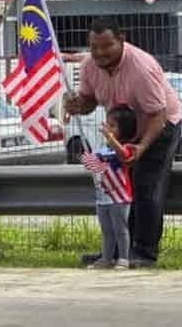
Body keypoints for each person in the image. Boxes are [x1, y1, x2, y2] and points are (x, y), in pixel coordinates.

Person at [64, 17, 182, 268]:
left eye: (106, 47)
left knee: (146, 185)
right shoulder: (89, 66)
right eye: (94, 47)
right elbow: (88, 100)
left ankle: (144, 253)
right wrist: (77, 105)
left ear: (121, 40)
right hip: (124, 129)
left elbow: (157, 116)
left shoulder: (141, 68)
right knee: (118, 190)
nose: (99, 53)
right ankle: (118, 252)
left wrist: (141, 147)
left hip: (159, 125)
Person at [81, 106, 138, 270]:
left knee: (120, 229)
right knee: (107, 230)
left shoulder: (126, 148)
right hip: (103, 197)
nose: (107, 129)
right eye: (107, 125)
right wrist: (88, 159)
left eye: (112, 126)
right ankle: (106, 258)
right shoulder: (102, 150)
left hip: (119, 198)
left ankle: (123, 258)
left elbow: (123, 156)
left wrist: (111, 138)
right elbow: (92, 165)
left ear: (124, 130)